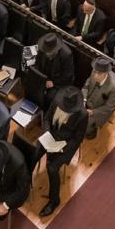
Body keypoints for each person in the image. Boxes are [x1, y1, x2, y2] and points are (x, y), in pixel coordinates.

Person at [37, 85, 88, 217]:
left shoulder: (82, 115)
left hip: (65, 145)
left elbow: (77, 140)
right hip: (51, 136)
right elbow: (47, 119)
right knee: (34, 152)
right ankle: (24, 184)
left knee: (52, 168)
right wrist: (47, 132)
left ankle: (54, 200)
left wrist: (60, 148)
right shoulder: (57, 101)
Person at [82, 56, 115, 139]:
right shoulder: (95, 71)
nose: (95, 75)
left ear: (106, 73)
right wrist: (84, 99)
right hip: (86, 102)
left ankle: (92, 131)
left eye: (99, 73)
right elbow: (86, 85)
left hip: (98, 110)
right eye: (95, 72)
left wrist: (92, 112)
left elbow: (109, 107)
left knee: (86, 126)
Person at [35, 33, 75, 107]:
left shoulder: (67, 54)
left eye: (49, 52)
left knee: (50, 97)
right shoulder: (43, 47)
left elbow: (67, 76)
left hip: (58, 82)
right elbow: (38, 63)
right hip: (44, 76)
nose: (46, 53)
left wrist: (53, 83)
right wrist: (40, 77)